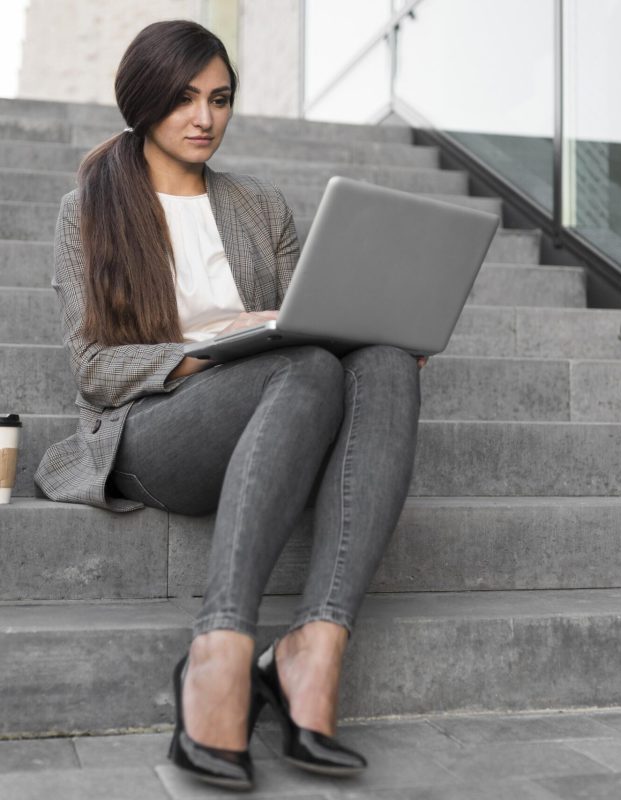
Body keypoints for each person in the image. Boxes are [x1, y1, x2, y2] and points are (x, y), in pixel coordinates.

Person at [35, 19, 422, 792]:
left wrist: (370, 325)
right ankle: (220, 651)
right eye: (183, 99)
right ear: (143, 101)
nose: (204, 117)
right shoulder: (89, 211)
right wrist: (210, 346)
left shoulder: (260, 208)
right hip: (155, 430)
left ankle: (315, 647)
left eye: (219, 98)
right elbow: (95, 370)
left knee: (381, 360)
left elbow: (303, 324)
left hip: (272, 411)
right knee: (309, 368)